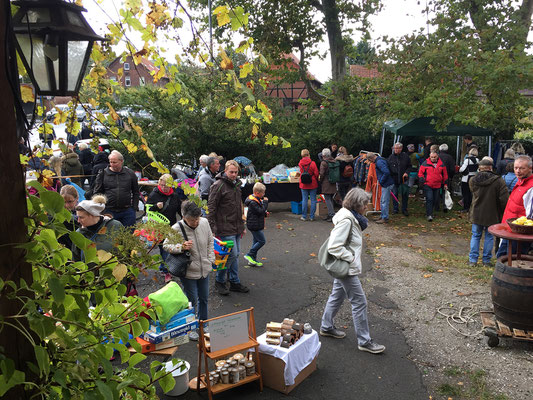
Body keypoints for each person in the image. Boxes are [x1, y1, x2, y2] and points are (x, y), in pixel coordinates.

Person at [319, 188, 385, 354]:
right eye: (364, 203)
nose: (366, 206)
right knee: (359, 302)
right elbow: (335, 246)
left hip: (343, 267)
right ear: (357, 204)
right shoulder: (348, 220)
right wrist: (350, 258)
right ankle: (364, 341)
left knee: (337, 295)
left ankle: (326, 327)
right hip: (346, 268)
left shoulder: (351, 217)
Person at [163, 201, 215, 341]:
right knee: (191, 300)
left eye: (197, 218)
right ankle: (191, 327)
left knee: (204, 297)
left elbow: (210, 240)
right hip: (188, 270)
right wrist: (181, 246)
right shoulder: (176, 228)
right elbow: (166, 245)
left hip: (204, 267)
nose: (196, 222)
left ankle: (204, 322)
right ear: (184, 217)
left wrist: (210, 259)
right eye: (192, 220)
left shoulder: (204, 222)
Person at [208, 160, 249, 295]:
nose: (233, 174)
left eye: (236, 172)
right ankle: (219, 281)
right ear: (225, 171)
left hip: (236, 226)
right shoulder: (218, 185)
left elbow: (239, 206)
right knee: (231, 255)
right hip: (224, 227)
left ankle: (234, 282)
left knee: (235, 255)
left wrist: (242, 225)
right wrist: (212, 228)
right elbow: (211, 207)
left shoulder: (237, 184)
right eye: (231, 172)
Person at [468, 159, 509, 266]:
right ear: (491, 168)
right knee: (489, 237)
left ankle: (473, 260)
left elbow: (473, 192)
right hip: (492, 213)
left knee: (475, 235)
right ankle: (486, 260)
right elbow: (504, 199)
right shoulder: (499, 181)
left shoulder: (473, 180)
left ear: (479, 168)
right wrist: (504, 212)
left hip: (477, 212)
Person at [147, 174, 183, 282]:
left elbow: (179, 210)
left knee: (170, 248)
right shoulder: (154, 195)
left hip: (171, 225)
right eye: (162, 185)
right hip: (159, 227)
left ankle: (164, 268)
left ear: (171, 186)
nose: (163, 188)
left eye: (166, 186)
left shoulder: (174, 196)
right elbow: (147, 211)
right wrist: (155, 207)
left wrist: (184, 220)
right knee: (164, 249)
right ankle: (167, 271)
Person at [496, 155, 533, 258]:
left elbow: (530, 216)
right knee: (501, 257)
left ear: (530, 168)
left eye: (522, 168)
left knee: (513, 261)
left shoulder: (531, 187)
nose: (518, 171)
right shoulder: (520, 181)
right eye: (516, 168)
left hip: (519, 234)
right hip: (509, 229)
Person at [91, 150, 139, 227]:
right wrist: (100, 209)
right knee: (111, 235)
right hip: (109, 210)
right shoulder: (103, 174)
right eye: (110, 162)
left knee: (129, 234)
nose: (112, 164)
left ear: (121, 161)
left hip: (127, 210)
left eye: (115, 162)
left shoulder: (130, 173)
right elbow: (97, 193)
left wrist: (134, 208)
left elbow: (136, 192)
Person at [72, 194, 123, 261]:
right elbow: (75, 260)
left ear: (93, 215)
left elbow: (126, 250)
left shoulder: (115, 226)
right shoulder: (78, 234)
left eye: (81, 217)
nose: (78, 221)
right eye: (77, 217)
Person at [418, 151, 448, 221]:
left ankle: (431, 212)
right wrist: (422, 179)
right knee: (429, 199)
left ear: (437, 156)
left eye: (434, 157)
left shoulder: (441, 164)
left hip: (437, 185)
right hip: (428, 184)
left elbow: (445, 175)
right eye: (432, 157)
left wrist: (445, 184)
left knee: (435, 199)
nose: (433, 158)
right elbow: (420, 173)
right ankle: (429, 215)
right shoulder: (425, 163)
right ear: (429, 157)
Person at [243, 182, 269, 266]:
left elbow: (259, 212)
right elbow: (260, 210)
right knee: (262, 241)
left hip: (256, 223)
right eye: (263, 193)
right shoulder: (253, 202)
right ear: (257, 193)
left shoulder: (255, 200)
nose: (264, 194)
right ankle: (250, 254)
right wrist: (265, 203)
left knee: (256, 241)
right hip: (254, 225)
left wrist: (264, 214)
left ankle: (252, 260)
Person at [366, 152, 394, 224]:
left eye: (369, 160)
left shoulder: (379, 162)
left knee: (384, 201)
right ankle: (382, 216)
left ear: (370, 159)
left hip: (386, 184)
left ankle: (385, 217)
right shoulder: (380, 160)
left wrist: (381, 181)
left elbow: (386, 172)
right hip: (386, 183)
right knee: (382, 200)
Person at [387, 143, 411, 216]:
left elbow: (410, 166)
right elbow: (388, 168)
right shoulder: (391, 157)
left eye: (397, 148)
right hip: (394, 179)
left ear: (401, 148)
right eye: (395, 148)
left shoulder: (406, 156)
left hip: (404, 179)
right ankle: (395, 209)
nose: (396, 150)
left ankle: (404, 209)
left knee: (405, 195)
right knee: (394, 194)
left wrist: (407, 172)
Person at [298, 149, 319, 221]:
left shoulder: (300, 163)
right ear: (308, 154)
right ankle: (312, 216)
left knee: (304, 199)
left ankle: (304, 216)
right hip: (312, 183)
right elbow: (316, 173)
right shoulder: (313, 163)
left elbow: (301, 172)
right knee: (313, 200)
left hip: (303, 184)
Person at [319, 148, 339, 222]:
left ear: (323, 155)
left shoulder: (324, 163)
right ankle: (331, 213)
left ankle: (331, 215)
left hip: (326, 183)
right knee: (330, 199)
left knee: (327, 199)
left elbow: (322, 174)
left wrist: (320, 181)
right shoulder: (334, 161)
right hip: (333, 183)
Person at [58, 185, 80, 250]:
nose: (66, 205)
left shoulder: (82, 211)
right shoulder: (56, 212)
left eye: (70, 201)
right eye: (64, 202)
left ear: (77, 199)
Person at [459, 147, 479, 212]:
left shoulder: (467, 160)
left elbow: (462, 169)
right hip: (474, 177)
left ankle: (466, 207)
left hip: (466, 178)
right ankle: (471, 206)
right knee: (472, 193)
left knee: (465, 193)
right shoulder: (478, 160)